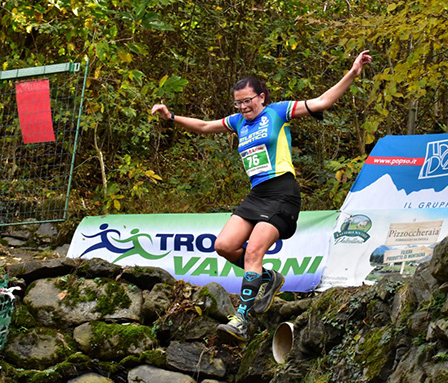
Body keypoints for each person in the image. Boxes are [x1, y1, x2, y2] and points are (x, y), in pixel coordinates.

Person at [151, 50, 372, 342]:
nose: (243, 107)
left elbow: (323, 101)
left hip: (282, 192)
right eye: (238, 102)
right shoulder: (238, 122)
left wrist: (353, 72)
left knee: (254, 251)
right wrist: (172, 117)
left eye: (248, 101)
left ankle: (241, 319)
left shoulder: (278, 112)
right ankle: (268, 278)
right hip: (257, 194)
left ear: (262, 97)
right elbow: (205, 127)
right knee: (225, 245)